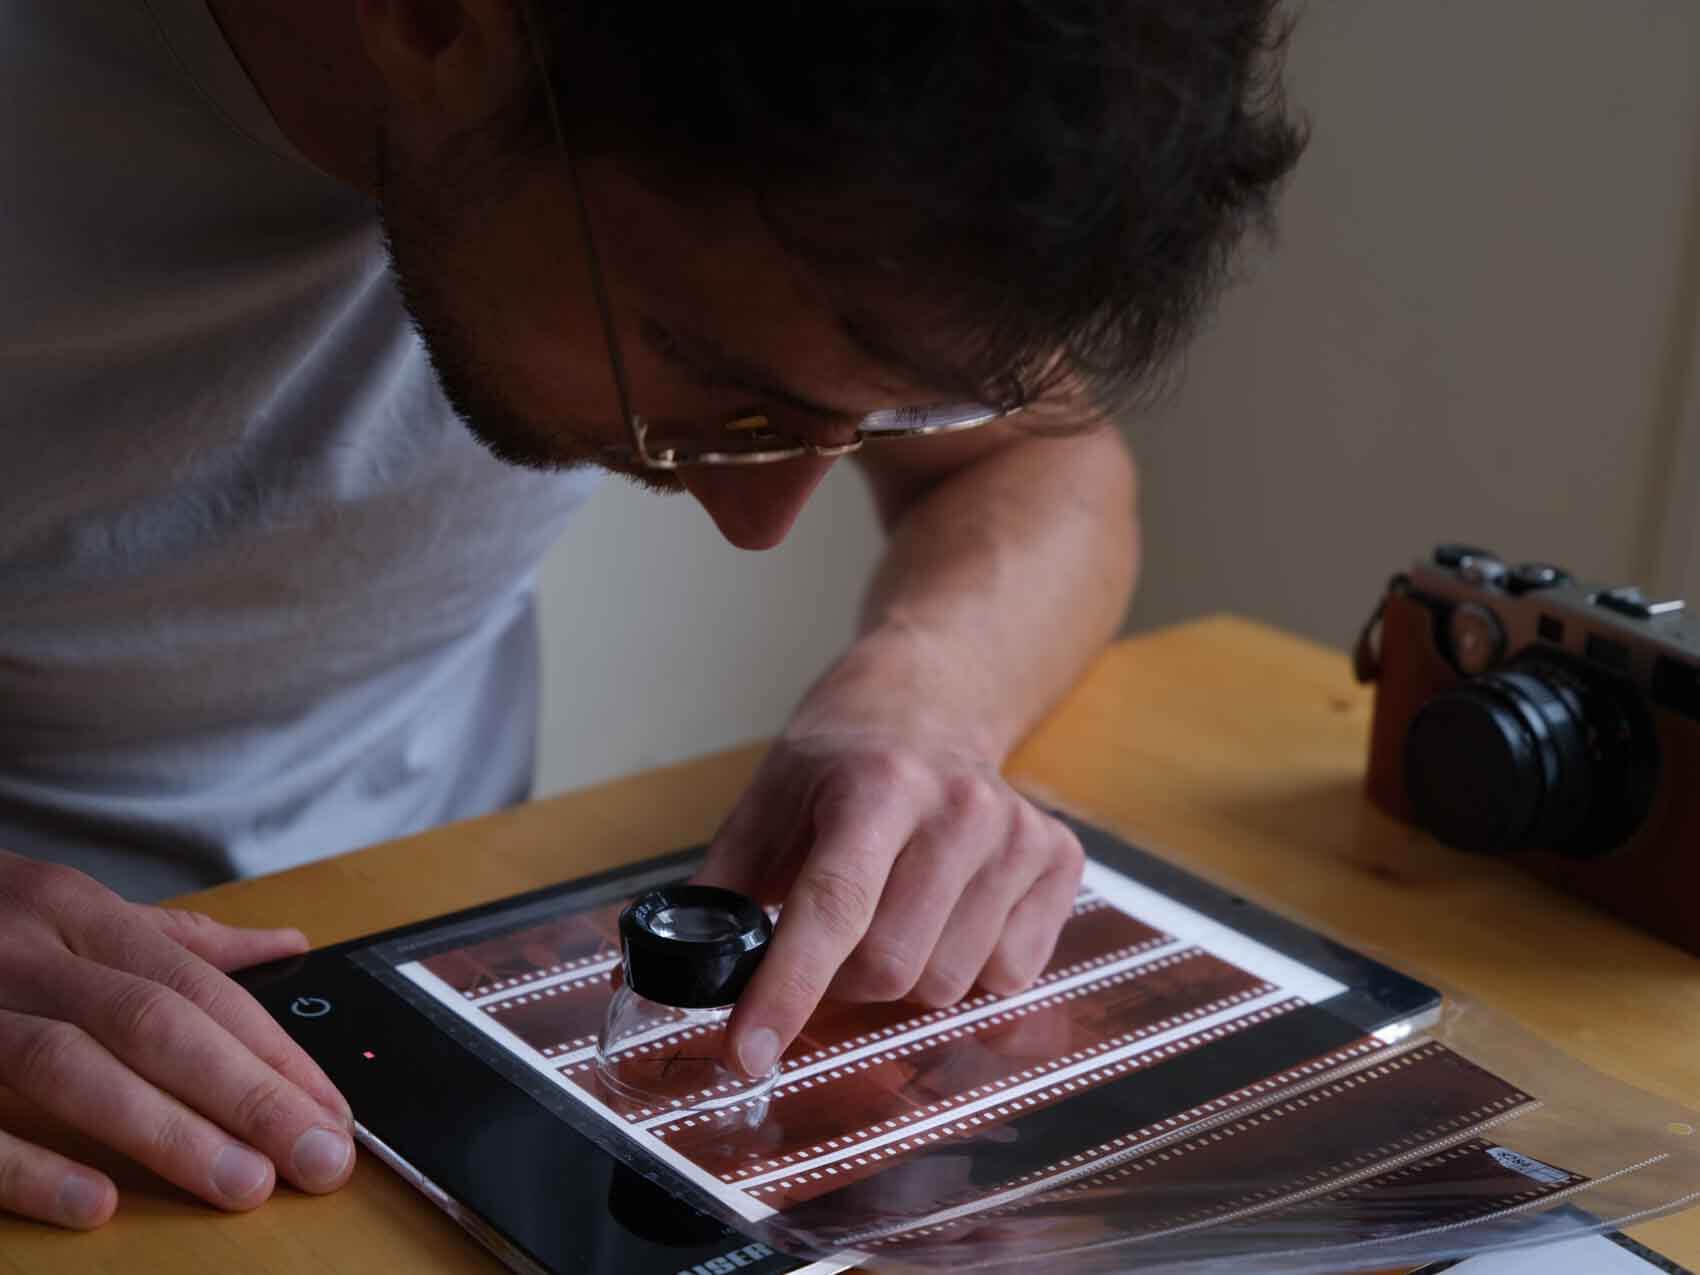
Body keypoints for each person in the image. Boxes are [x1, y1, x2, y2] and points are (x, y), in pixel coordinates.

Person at [0, 0, 1303, 1232]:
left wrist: (917, 707)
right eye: (726, 391)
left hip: (439, 988)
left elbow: (1045, 463)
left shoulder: (842, 142)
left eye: (871, 417)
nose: (761, 519)